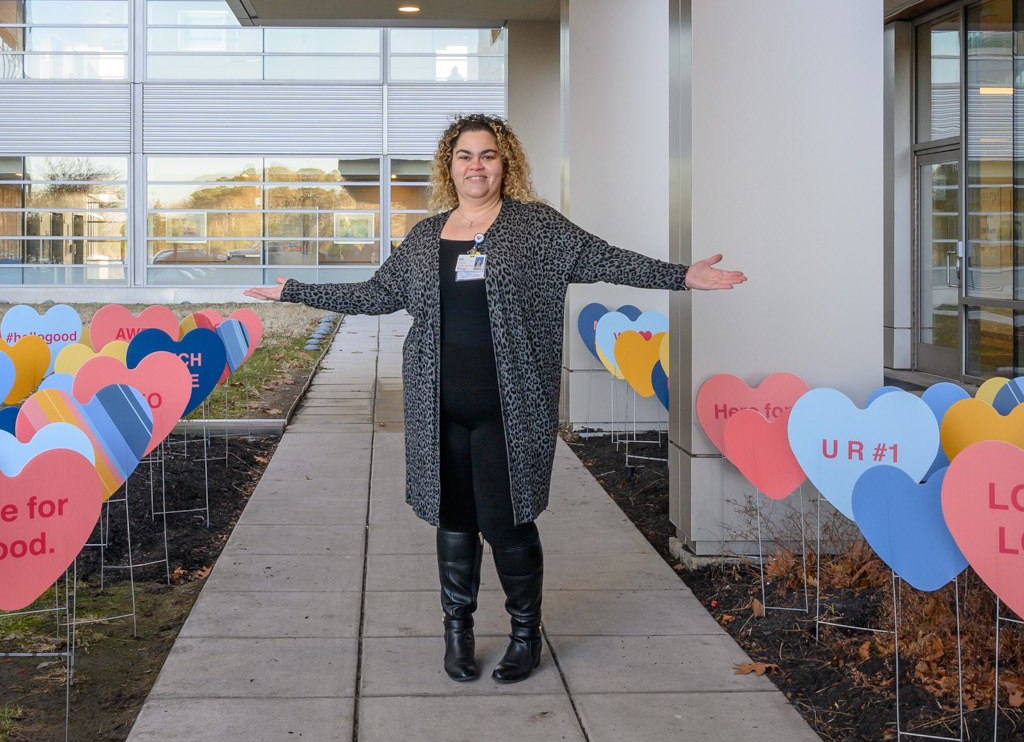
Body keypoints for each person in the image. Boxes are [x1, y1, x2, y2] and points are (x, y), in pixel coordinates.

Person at [246, 113, 743, 683]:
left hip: (511, 406)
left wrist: (683, 277)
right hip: (439, 406)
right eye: (465, 155)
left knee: (507, 522)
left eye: (487, 155)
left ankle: (524, 636)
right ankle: (457, 634)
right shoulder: (426, 234)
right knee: (453, 520)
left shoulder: (535, 229)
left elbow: (607, 259)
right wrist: (295, 289)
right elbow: (378, 293)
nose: (475, 165)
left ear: (506, 164)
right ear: (449, 165)